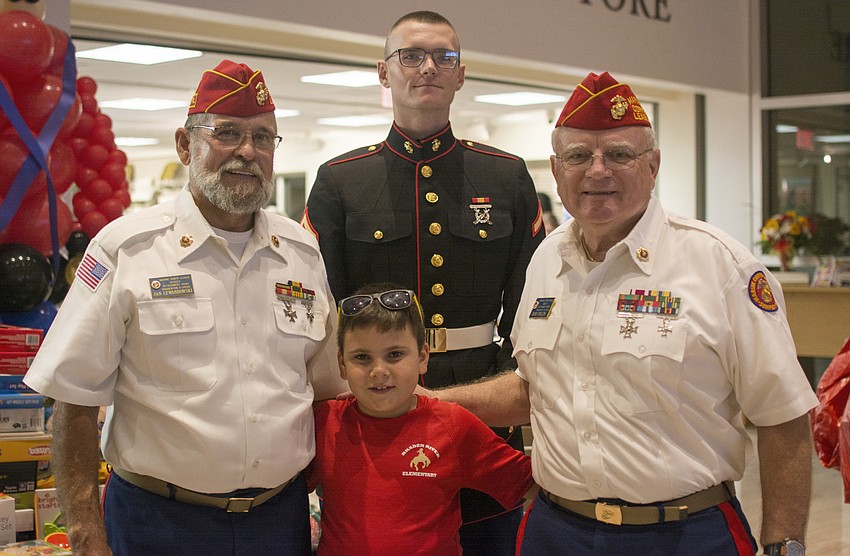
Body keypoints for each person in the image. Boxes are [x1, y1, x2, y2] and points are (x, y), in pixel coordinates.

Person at [429, 71, 818, 556]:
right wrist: (428, 403)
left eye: (618, 154)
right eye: (578, 156)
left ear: (652, 165)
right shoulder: (547, 259)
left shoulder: (719, 264)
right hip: (556, 531)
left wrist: (785, 545)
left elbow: (782, 416)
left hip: (685, 534)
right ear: (555, 168)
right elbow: (537, 388)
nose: (596, 171)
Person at [24, 60, 346, 556]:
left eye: (263, 137)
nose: (247, 151)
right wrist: (87, 537)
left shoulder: (301, 253)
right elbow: (73, 401)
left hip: (279, 523)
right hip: (158, 523)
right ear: (184, 145)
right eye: (228, 133)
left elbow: (326, 395)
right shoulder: (127, 250)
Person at [301, 11, 545, 552]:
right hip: (375, 411)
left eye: (445, 57)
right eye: (411, 56)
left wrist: (511, 390)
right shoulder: (342, 181)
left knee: (489, 534)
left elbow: (533, 303)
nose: (428, 67)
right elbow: (320, 309)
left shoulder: (505, 176)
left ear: (461, 75)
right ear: (384, 74)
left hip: (483, 404)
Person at [309, 283, 534, 555]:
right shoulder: (323, 423)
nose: (379, 371)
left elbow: (531, 483)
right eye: (362, 357)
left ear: (423, 357)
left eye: (395, 354)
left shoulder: (453, 426)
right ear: (342, 364)